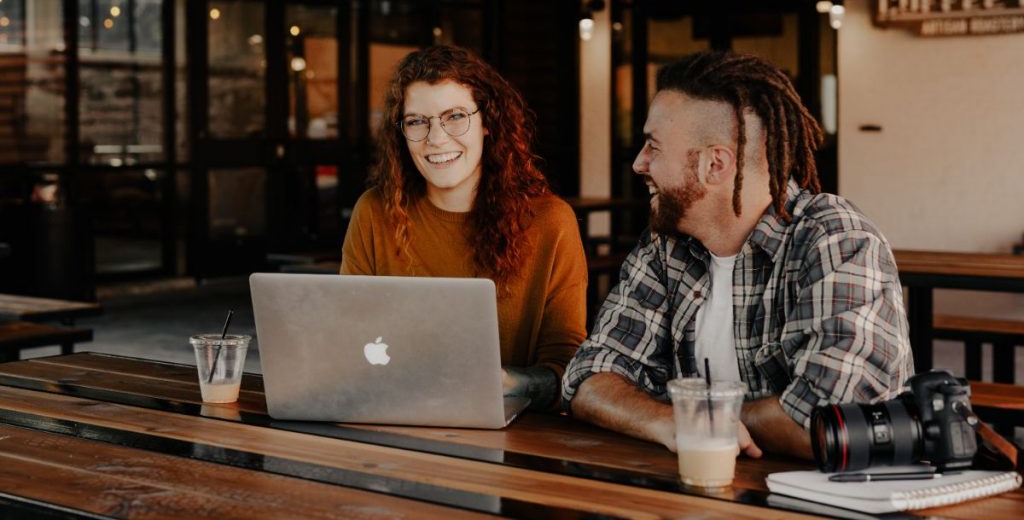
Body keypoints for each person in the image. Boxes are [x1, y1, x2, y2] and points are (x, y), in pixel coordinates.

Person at [562, 51, 913, 459]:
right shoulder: (666, 245)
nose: (639, 163)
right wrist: (665, 421)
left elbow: (827, 420)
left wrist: (697, 419)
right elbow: (588, 379)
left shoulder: (835, 239)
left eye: (653, 146)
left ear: (715, 164)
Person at [342, 45, 587, 410]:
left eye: (455, 116)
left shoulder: (551, 222)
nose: (436, 138)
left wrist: (505, 382)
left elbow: (566, 365)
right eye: (416, 121)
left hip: (511, 435)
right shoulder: (374, 212)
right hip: (389, 415)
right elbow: (343, 337)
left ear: (488, 123)